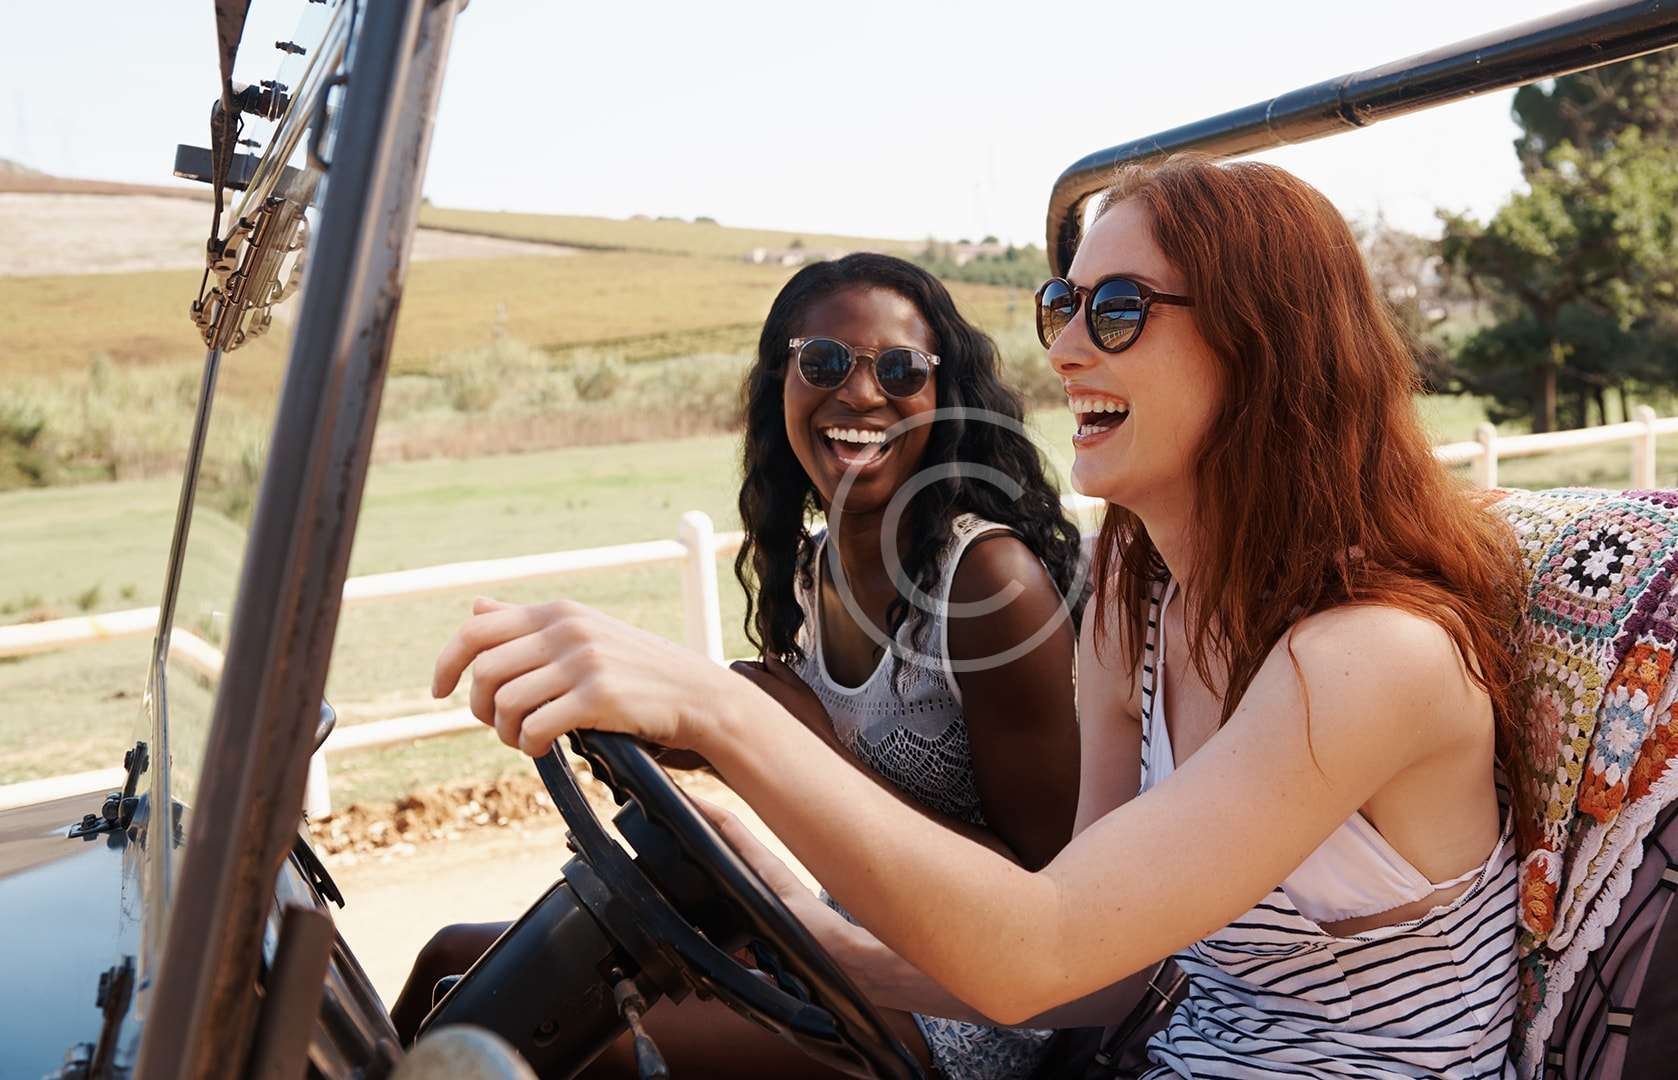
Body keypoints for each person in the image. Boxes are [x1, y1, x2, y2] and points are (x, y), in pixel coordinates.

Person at [438, 157, 1531, 1078]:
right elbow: (1105, 969)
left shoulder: (1372, 658)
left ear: (1264, 343)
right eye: (1065, 306)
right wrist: (788, 917)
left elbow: (1040, 950)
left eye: (1118, 311)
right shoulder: (1140, 603)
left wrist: (724, 714)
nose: (1066, 350)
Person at [396, 253, 1085, 1079]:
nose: (862, 393)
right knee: (452, 964)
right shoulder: (812, 571)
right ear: (780, 386)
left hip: (968, 1014)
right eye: (824, 362)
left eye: (901, 369)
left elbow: (1047, 904)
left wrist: (782, 739)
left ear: (944, 397)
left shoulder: (989, 585)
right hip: (839, 951)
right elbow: (782, 735)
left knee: (538, 1040)